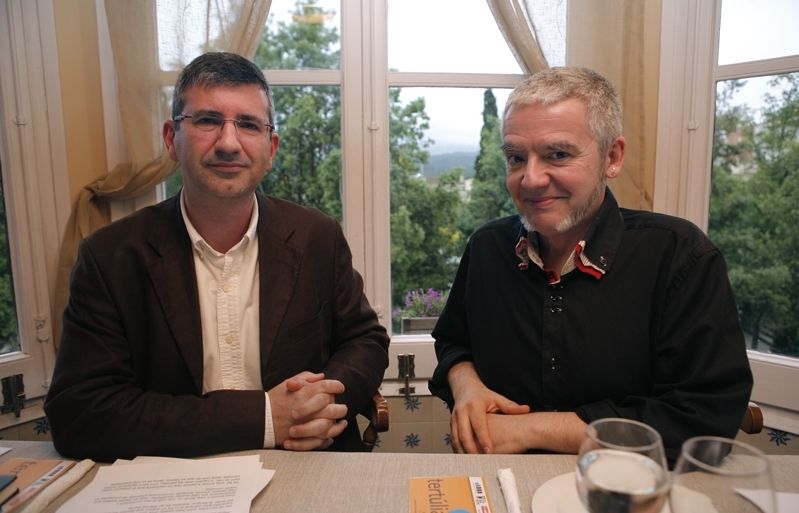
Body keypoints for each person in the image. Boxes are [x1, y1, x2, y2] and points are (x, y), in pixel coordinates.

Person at [44, 52, 389, 462]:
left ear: (271, 148)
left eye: (249, 124)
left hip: (310, 464)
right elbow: (81, 414)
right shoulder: (110, 258)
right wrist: (265, 418)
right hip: (177, 478)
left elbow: (366, 340)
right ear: (171, 138)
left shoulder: (318, 236)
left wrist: (318, 405)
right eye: (207, 120)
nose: (228, 143)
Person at [428, 67, 752, 463]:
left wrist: (529, 429)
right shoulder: (487, 248)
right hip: (498, 480)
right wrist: (467, 386)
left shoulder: (679, 256)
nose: (531, 179)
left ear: (612, 157)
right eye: (516, 158)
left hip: (628, 487)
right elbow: (454, 342)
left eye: (558, 154)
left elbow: (704, 419)